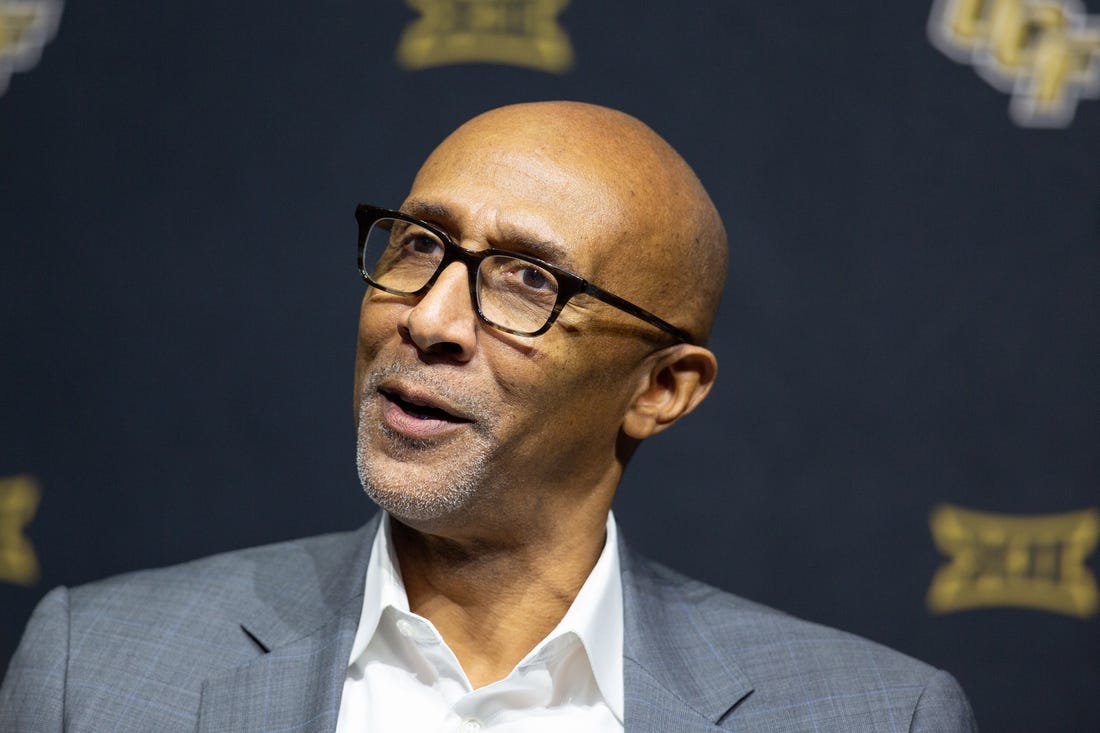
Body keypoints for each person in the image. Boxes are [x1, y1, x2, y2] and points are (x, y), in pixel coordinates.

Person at [0, 101, 977, 731]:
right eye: (418, 244)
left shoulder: (879, 715)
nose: (425, 319)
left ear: (660, 389)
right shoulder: (93, 673)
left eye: (526, 280)